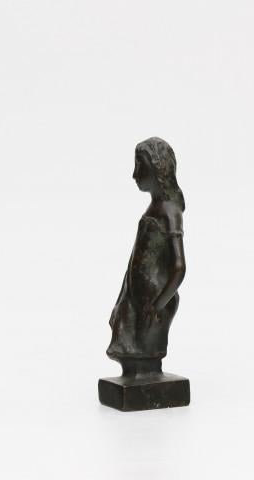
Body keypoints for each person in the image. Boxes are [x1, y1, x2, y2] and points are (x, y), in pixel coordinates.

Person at [106, 137, 186, 376]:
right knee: (127, 346)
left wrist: (157, 305)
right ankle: (136, 376)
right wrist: (124, 296)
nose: (134, 174)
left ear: (157, 169)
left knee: (144, 351)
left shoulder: (170, 212)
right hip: (136, 298)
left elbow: (179, 267)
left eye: (140, 165)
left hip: (153, 303)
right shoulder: (156, 209)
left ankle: (146, 376)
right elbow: (136, 260)